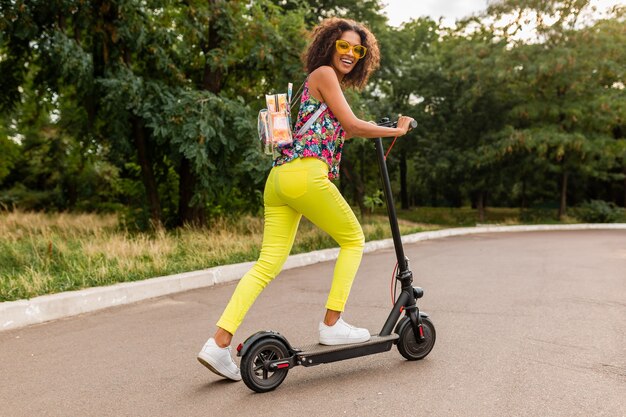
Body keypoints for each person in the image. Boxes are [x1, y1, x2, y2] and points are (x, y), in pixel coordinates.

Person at [197, 17, 415, 381]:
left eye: (357, 50)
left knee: (266, 265)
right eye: (343, 45)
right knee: (353, 239)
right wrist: (398, 129)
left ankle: (217, 345)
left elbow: (336, 132)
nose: (349, 53)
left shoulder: (314, 85)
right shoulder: (324, 74)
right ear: (329, 44)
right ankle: (332, 324)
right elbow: (353, 125)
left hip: (280, 179)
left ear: (363, 56)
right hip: (304, 176)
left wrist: (357, 132)